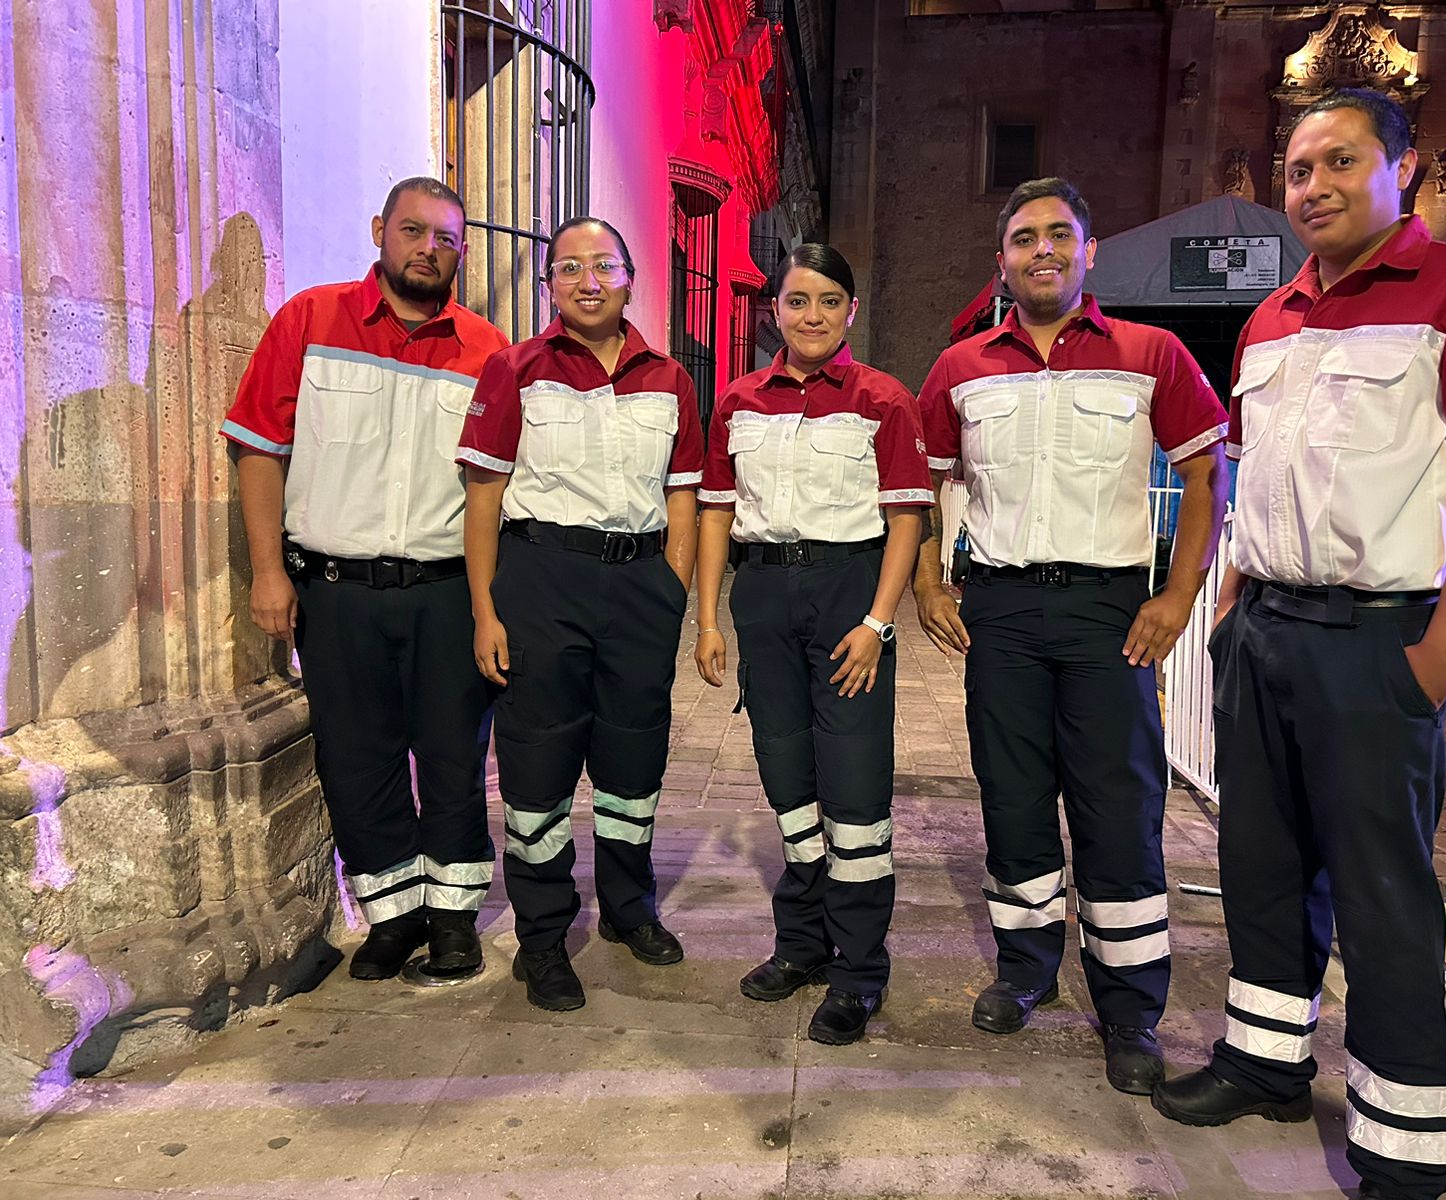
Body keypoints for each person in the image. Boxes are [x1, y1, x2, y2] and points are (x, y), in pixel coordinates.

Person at [1150, 90, 1446, 1200]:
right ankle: (1266, 1059)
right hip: (1269, 631)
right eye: (1296, 169)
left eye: (1340, 161)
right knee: (1258, 864)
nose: (1313, 186)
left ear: (1404, 169)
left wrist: (1437, 652)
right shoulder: (1271, 317)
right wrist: (1237, 597)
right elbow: (1254, 470)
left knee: (1384, 891)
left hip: (1375, 639)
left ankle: (1399, 1142)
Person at [913, 177, 1229, 1094]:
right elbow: (932, 481)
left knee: (1118, 806)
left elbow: (1205, 473)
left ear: (1090, 250)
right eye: (1022, 238)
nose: (1041, 249)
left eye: (1060, 234)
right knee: (1012, 797)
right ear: (1001, 261)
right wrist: (934, 578)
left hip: (1108, 613)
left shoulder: (1151, 352)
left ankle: (1130, 1009)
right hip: (1001, 611)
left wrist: (1177, 596)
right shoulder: (961, 365)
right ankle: (1025, 973)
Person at [222, 177, 508, 981]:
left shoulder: (487, 351)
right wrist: (269, 573)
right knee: (357, 755)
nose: (428, 249)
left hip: (446, 589)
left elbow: (500, 485)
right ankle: (392, 915)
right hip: (334, 591)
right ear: (380, 229)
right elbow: (257, 448)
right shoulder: (310, 320)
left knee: (454, 754)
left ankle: (453, 914)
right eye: (414, 231)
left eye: (446, 238)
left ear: (461, 251)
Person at [457, 217, 703, 1012]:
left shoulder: (669, 378)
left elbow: (683, 493)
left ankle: (631, 910)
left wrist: (673, 591)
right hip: (541, 583)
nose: (588, 281)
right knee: (537, 766)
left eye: (604, 266)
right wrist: (485, 613)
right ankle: (542, 938)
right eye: (569, 269)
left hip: (639, 587)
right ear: (549, 285)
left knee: (634, 766)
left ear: (631, 277)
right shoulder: (514, 370)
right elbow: (485, 497)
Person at [694, 244, 932, 1046]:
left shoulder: (884, 400)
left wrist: (876, 622)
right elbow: (717, 511)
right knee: (789, 783)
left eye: (831, 300)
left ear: (851, 312)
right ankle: (801, 945)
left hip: (846, 596)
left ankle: (859, 971)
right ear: (775, 313)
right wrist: (709, 619)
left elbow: (906, 517)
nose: (814, 315)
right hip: (763, 596)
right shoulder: (737, 401)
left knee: (856, 796)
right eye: (799, 301)